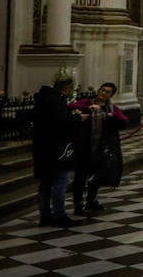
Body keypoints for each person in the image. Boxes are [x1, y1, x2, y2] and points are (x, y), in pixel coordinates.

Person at [69, 82, 129, 215]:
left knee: (96, 176)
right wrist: (77, 114)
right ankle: (78, 204)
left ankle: (91, 200)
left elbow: (123, 121)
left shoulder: (111, 109)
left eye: (107, 92)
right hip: (84, 146)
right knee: (80, 176)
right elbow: (70, 108)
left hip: (101, 147)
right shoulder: (86, 103)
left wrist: (104, 114)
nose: (103, 93)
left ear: (111, 95)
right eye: (102, 90)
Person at [31, 74, 82, 227]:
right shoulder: (57, 102)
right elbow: (62, 124)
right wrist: (77, 118)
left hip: (42, 149)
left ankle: (45, 215)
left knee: (45, 183)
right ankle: (59, 215)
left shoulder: (42, 99)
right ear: (67, 88)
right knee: (61, 181)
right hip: (57, 149)